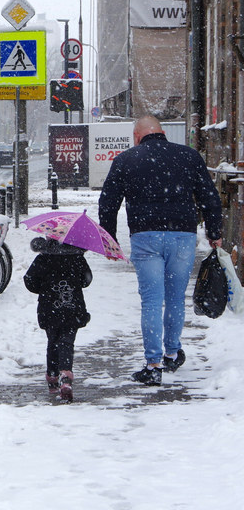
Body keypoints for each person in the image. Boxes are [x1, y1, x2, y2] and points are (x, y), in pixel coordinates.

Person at [98, 115, 223, 386]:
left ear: (137, 136)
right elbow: (209, 197)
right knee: (176, 297)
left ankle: (153, 364)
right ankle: (173, 352)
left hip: (146, 236)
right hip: (183, 235)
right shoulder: (189, 156)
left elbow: (108, 202)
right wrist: (215, 233)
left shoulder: (126, 160)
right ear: (162, 132)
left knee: (152, 300)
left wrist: (109, 240)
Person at [24, 237, 92, 402]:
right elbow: (87, 279)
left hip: (49, 308)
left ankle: (53, 376)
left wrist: (43, 288)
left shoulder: (43, 257)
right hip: (72, 307)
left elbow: (29, 280)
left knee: (53, 341)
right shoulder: (77, 257)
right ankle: (66, 375)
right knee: (67, 341)